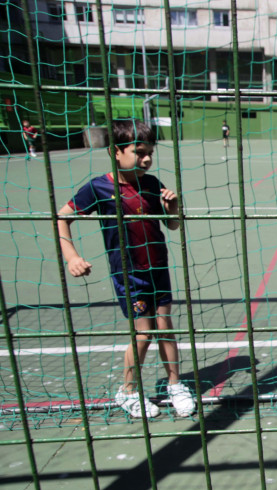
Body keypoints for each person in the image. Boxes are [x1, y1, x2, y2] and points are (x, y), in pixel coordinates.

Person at [56, 119, 196, 419]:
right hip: (128, 273)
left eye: (150, 153)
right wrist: (71, 256)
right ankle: (128, 390)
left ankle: (175, 384)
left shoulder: (152, 183)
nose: (146, 158)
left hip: (158, 265)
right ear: (115, 152)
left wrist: (173, 207)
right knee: (143, 334)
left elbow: (172, 225)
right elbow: (62, 217)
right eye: (139, 151)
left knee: (165, 327)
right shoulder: (98, 187)